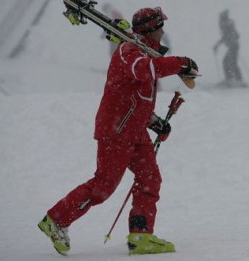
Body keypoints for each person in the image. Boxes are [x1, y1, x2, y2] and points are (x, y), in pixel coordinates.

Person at [38, 6, 199, 256]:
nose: (163, 31)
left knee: (149, 179)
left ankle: (140, 236)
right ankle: (56, 220)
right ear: (152, 29)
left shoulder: (144, 53)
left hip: (133, 130)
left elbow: (136, 96)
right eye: (160, 27)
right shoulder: (129, 51)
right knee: (104, 186)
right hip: (116, 131)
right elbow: (143, 71)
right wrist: (180, 64)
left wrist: (154, 121)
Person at [213, 9, 245, 87]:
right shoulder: (227, 24)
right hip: (232, 46)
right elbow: (226, 36)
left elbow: (234, 35)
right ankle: (232, 79)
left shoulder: (228, 25)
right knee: (228, 62)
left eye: (221, 18)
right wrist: (217, 45)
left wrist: (218, 44)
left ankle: (237, 80)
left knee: (231, 62)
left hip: (233, 46)